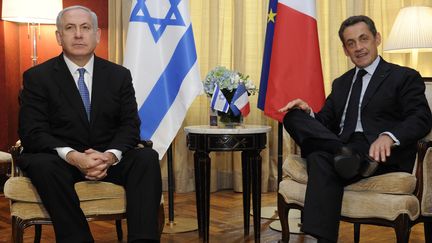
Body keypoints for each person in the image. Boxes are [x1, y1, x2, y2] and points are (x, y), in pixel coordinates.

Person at [278, 15, 432, 243]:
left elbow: (421, 117)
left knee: (320, 158)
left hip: (377, 153)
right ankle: (344, 153)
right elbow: (323, 125)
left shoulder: (403, 76)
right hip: (345, 151)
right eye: (351, 43)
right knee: (293, 116)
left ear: (376, 39)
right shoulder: (341, 83)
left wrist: (389, 136)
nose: (358, 48)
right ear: (345, 49)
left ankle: (323, 239)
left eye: (363, 39)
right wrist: (308, 113)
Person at [18, 5, 162, 243]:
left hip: (106, 158)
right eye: (70, 28)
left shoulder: (119, 75)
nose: (78, 34)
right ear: (59, 36)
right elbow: (32, 132)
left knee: (146, 158)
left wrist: (110, 156)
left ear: (97, 35)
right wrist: (74, 157)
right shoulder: (37, 77)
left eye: (85, 28)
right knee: (42, 164)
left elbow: (130, 125)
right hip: (60, 160)